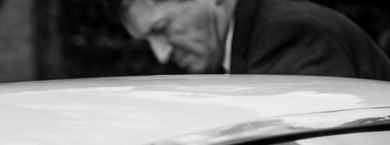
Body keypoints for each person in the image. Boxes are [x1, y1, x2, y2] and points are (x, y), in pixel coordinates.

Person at [108, 0, 390, 79]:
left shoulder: (287, 35)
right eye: (147, 40)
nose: (161, 55)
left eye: (161, 28)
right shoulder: (255, 39)